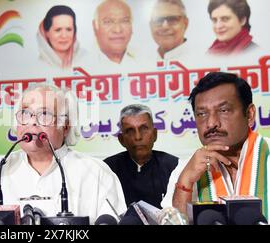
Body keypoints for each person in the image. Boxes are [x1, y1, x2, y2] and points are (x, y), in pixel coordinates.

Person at [0, 84, 127, 224]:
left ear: (66, 126)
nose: (32, 122)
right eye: (25, 113)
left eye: (44, 114)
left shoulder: (95, 172)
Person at [163, 72, 269, 220]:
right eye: (202, 114)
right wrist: (185, 183)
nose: (211, 123)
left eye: (223, 110)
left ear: (250, 114)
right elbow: (171, 221)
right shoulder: (185, 169)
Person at [104, 104, 179, 209]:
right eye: (130, 131)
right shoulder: (107, 169)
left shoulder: (174, 167)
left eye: (143, 129)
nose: (138, 137)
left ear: (154, 135)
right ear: (121, 140)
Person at [37, 5, 86, 70]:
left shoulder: (87, 58)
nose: (64, 36)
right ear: (47, 33)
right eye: (58, 30)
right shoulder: (38, 64)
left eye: (69, 29)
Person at [92, 0, 136, 67]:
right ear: (95, 27)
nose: (117, 30)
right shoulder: (81, 63)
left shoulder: (147, 60)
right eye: (108, 22)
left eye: (124, 21)